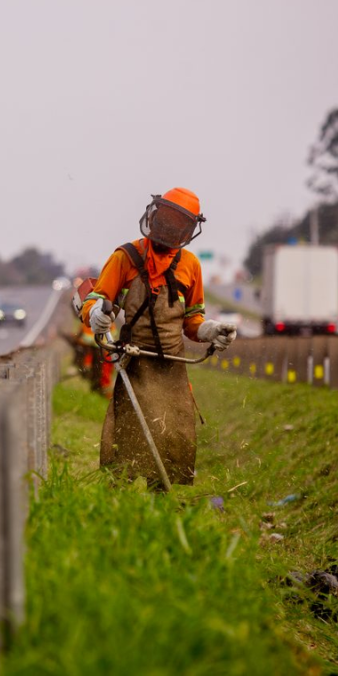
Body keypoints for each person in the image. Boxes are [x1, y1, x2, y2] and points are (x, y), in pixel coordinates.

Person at [78, 187, 237, 487]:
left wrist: (210, 331)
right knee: (126, 435)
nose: (169, 228)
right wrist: (96, 314)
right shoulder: (125, 257)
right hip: (134, 362)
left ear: (187, 230)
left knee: (172, 436)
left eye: (178, 225)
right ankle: (119, 498)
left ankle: (162, 503)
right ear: (155, 216)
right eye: (166, 220)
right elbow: (93, 300)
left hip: (171, 367)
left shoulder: (190, 265)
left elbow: (192, 321)